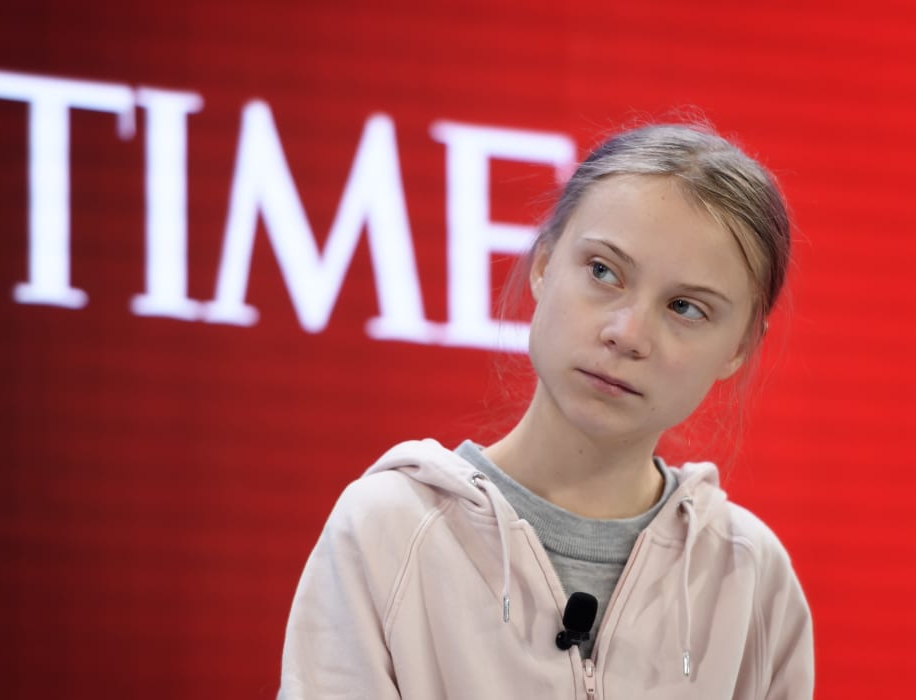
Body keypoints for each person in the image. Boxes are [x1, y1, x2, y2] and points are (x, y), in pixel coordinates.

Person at [278, 124, 814, 699]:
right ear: (543, 264)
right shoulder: (387, 529)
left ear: (738, 348)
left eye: (685, 307)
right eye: (604, 271)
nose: (627, 333)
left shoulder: (752, 579)